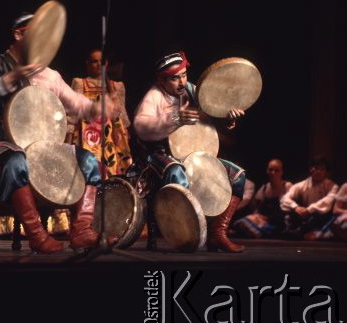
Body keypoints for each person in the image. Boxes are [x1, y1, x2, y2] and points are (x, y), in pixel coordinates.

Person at [0, 12, 114, 254]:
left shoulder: (50, 75)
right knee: (16, 162)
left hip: (43, 146)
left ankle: (81, 230)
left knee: (90, 162)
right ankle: (37, 234)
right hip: (1, 139)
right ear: (19, 34)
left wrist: (94, 108)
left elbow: (75, 103)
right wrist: (14, 76)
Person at [133, 50, 247, 253]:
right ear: (161, 80)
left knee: (237, 175)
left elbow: (216, 112)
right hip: (160, 153)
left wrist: (229, 117)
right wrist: (176, 118)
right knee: (177, 172)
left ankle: (217, 234)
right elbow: (141, 126)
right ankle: (183, 234)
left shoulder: (192, 90)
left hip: (193, 155)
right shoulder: (154, 96)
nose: (181, 82)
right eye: (175, 78)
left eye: (184, 75)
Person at [67, 48, 132, 177]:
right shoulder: (80, 83)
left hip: (109, 139)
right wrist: (68, 141)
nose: (98, 65)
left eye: (101, 62)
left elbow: (120, 117)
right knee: (86, 172)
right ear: (87, 64)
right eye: (94, 62)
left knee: (110, 173)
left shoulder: (117, 86)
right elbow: (73, 115)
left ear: (106, 63)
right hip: (85, 136)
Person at [280, 156, 338, 240]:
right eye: (316, 168)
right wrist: (295, 207)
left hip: (321, 221)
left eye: (322, 169)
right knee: (289, 216)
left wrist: (309, 210)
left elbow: (327, 201)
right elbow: (284, 199)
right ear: (311, 169)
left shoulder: (332, 186)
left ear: (326, 172)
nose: (318, 171)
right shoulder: (301, 185)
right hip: (303, 218)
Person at [232, 158, 293, 238]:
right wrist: (257, 216)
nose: (273, 173)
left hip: (282, 224)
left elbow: (292, 208)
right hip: (266, 222)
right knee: (241, 222)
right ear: (267, 171)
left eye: (276, 170)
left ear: (281, 172)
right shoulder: (264, 188)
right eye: (270, 170)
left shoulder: (287, 186)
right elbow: (257, 208)